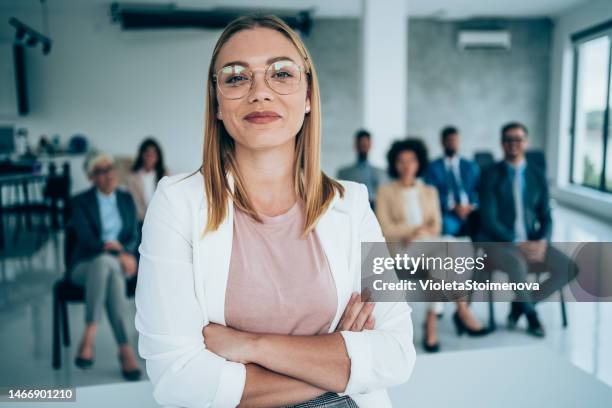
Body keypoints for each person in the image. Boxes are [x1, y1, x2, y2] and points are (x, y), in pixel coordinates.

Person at [135, 15, 415, 408]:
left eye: (281, 74)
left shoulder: (351, 206)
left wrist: (252, 346)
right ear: (216, 102)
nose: (259, 92)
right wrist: (338, 362)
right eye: (236, 77)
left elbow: (396, 356)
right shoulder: (176, 204)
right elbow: (180, 382)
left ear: (307, 97)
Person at [376, 139, 487, 353]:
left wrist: (418, 232)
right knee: (451, 248)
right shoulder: (386, 191)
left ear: (419, 163)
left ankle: (431, 321)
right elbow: (385, 227)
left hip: (429, 246)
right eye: (401, 161)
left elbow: (436, 226)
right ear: (394, 164)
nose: (406, 166)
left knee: (443, 256)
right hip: (401, 249)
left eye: (411, 160)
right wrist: (415, 230)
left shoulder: (429, 191)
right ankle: (462, 310)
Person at [478, 122, 578, 337]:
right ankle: (531, 315)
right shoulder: (489, 174)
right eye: (508, 140)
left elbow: (546, 214)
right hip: (501, 242)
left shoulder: (536, 174)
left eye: (518, 139)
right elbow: (489, 219)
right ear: (502, 144)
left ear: (526, 142)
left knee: (570, 268)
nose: (513, 144)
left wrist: (542, 240)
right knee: (517, 262)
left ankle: (521, 305)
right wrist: (517, 242)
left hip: (534, 241)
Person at [68, 153, 141, 380]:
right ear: (91, 178)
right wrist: (119, 253)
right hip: (84, 266)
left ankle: (90, 335)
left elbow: (134, 235)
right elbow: (87, 240)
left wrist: (125, 252)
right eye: (100, 171)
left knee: (110, 271)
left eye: (109, 168)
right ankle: (125, 350)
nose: (108, 174)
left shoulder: (126, 199)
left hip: (118, 267)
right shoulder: (79, 202)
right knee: (103, 262)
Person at [425, 126, 479, 236]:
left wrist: (471, 206)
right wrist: (453, 206)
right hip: (447, 212)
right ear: (443, 142)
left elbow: (479, 189)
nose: (452, 143)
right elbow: (431, 193)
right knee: (446, 226)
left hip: (471, 211)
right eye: (449, 140)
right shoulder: (433, 167)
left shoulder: (469, 165)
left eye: (455, 140)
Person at [337, 129, 386, 209]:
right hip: (352, 209)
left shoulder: (380, 172)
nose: (363, 147)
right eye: (361, 144)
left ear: (370, 145)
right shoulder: (344, 173)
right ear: (355, 145)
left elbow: (383, 197)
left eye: (365, 144)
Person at [126, 138, 168, 222]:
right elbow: (133, 202)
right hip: (140, 219)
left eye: (153, 154)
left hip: (162, 219)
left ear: (158, 157)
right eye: (147, 153)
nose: (150, 157)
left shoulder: (165, 175)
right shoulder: (133, 177)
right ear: (142, 155)